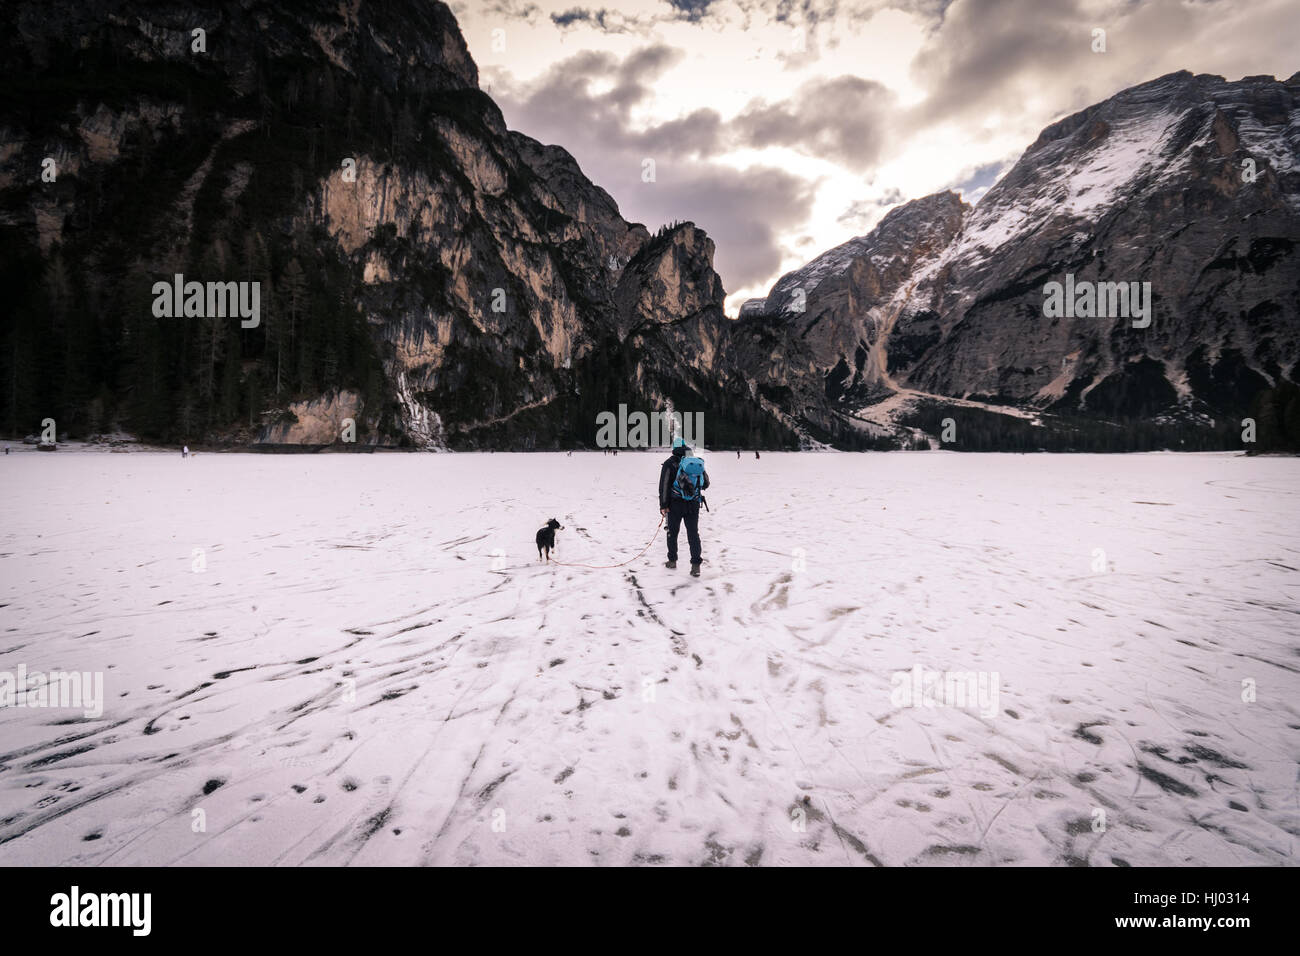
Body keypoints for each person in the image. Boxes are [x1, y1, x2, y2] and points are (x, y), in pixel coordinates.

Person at [658, 439, 709, 576]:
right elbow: (706, 484)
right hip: (693, 504)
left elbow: (664, 485)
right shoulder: (694, 462)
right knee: (693, 533)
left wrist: (663, 505)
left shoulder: (670, 463)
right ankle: (696, 565)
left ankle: (672, 561)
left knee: (672, 533)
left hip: (675, 504)